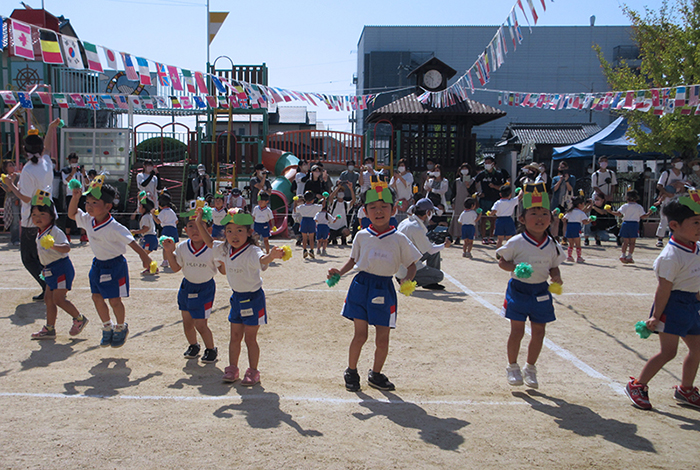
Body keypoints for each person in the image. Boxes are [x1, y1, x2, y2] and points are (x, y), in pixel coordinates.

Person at [328, 184, 420, 392]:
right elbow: (353, 261)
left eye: (384, 206)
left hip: (384, 288)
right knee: (360, 335)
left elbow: (412, 264)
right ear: (365, 210)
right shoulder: (361, 236)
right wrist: (338, 273)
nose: (378, 211)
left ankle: (375, 374)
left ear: (394, 209)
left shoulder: (399, 239)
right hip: (361, 286)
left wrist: (407, 281)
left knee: (382, 338)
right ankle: (351, 371)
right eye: (373, 207)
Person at [625, 197, 700, 410]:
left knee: (697, 348)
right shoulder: (670, 256)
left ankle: (686, 389)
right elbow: (664, 289)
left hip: (691, 304)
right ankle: (638, 385)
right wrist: (656, 316)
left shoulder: (696, 247)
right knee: (669, 352)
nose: (699, 227)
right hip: (672, 306)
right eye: (695, 222)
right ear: (674, 226)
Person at [196, 207, 284, 386]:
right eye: (229, 230)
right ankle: (232, 368)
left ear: (249, 232)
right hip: (236, 298)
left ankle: (253, 371)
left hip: (253, 299)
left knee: (250, 338)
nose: (233, 235)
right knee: (235, 336)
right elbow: (210, 243)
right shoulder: (225, 249)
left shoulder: (252, 250)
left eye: (239, 230)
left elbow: (262, 260)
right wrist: (199, 223)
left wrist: (272, 256)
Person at [68, 176, 153, 348]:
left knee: (114, 300)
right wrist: (75, 197)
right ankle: (107, 327)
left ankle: (121, 327)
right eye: (88, 202)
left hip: (115, 266)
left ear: (108, 206)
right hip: (98, 265)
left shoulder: (115, 227)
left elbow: (132, 242)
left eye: (94, 203)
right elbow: (71, 214)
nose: (89, 206)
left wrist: (145, 257)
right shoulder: (88, 220)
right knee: (96, 297)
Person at [496, 184, 566, 388]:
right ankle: (512, 367)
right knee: (517, 331)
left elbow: (553, 267)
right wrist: (516, 268)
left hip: (541, 291)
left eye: (544, 213)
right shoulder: (516, 242)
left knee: (539, 331)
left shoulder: (553, 244)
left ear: (551, 218)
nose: (540, 218)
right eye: (534, 213)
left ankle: (531, 368)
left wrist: (557, 276)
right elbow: (502, 261)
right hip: (518, 290)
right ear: (522, 219)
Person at [3, 120, 60, 300]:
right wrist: (51, 128)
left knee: (29, 258)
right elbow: (48, 148)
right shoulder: (46, 162)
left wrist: (10, 185)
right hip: (49, 213)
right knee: (44, 254)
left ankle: (47, 285)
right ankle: (52, 284)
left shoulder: (28, 169)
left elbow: (27, 198)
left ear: (25, 150)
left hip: (32, 218)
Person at [162, 207, 222, 364]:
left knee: (200, 323)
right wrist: (169, 251)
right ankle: (193, 346)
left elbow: (222, 270)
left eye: (199, 225)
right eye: (190, 226)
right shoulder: (182, 247)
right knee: (187, 321)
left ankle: (211, 349)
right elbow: (176, 268)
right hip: (187, 286)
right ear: (184, 229)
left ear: (208, 229)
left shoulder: (213, 248)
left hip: (205, 288)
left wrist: (225, 256)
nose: (195, 230)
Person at [29, 190, 88, 340]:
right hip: (49, 269)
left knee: (58, 299)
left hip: (61, 268)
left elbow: (66, 248)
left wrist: (53, 245)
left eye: (42, 215)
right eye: (35, 215)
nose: (38, 218)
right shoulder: (40, 232)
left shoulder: (55, 231)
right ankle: (50, 328)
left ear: (52, 215)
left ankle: (79, 319)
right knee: (48, 299)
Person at [396, 198, 451, 290]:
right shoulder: (417, 228)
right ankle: (407, 280)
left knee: (435, 253)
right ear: (427, 212)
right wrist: (444, 245)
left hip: (400, 263)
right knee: (439, 276)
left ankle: (428, 281)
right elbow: (431, 249)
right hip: (407, 268)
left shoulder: (406, 222)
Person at [607, 190, 652, 264]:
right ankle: (629, 256)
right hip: (634, 224)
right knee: (632, 242)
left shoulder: (625, 206)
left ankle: (623, 255)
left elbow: (618, 214)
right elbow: (643, 216)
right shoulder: (639, 207)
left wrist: (610, 211)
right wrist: (649, 213)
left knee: (625, 242)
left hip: (625, 224)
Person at [475, 156, 509, 244]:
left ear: (493, 164)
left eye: (488, 162)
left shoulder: (499, 174)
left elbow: (503, 187)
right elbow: (473, 184)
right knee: (483, 218)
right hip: (484, 199)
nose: (487, 164)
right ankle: (484, 237)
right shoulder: (482, 174)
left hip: (495, 199)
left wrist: (494, 186)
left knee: (493, 219)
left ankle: (491, 237)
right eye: (485, 163)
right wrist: (477, 193)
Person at [655, 157, 687, 247]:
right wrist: (667, 193)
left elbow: (684, 188)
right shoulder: (667, 173)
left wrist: (680, 189)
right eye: (677, 162)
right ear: (672, 163)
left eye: (681, 161)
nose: (680, 163)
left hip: (677, 198)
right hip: (667, 198)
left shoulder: (683, 175)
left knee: (676, 218)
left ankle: (672, 237)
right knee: (664, 219)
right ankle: (660, 238)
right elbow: (659, 185)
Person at [61, 152, 88, 243]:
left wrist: (84, 174)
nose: (74, 162)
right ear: (69, 161)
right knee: (70, 214)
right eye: (72, 161)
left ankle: (83, 235)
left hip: (82, 194)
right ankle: (67, 235)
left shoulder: (81, 170)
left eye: (76, 161)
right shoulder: (65, 170)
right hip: (70, 195)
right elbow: (65, 182)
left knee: (83, 213)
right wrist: (72, 173)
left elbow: (87, 182)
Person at [550, 161, 575, 244]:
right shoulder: (555, 178)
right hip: (557, 201)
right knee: (556, 220)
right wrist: (560, 180)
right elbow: (554, 189)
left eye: (564, 167)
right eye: (561, 167)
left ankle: (565, 238)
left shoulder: (572, 177)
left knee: (565, 220)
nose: (562, 169)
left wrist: (567, 180)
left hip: (566, 202)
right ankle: (555, 237)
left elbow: (571, 189)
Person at [448, 163, 474, 242]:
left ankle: (468, 236)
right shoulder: (456, 181)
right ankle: (457, 236)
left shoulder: (472, 181)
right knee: (457, 218)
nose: (464, 171)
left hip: (469, 202)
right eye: (463, 169)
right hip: (458, 202)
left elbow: (473, 192)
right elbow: (453, 193)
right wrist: (452, 202)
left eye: (466, 169)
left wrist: (468, 187)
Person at [153, 192, 179, 268]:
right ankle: (174, 260)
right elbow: (176, 221)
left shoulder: (163, 212)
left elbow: (158, 221)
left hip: (166, 229)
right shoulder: (171, 211)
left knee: (165, 246)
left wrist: (153, 215)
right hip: (173, 229)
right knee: (173, 246)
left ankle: (165, 261)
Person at [132, 197, 158, 267]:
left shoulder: (145, 217)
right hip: (150, 238)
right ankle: (150, 268)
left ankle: (152, 267)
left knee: (143, 255)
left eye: (140, 206)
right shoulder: (147, 216)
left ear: (144, 208)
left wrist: (135, 232)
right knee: (143, 255)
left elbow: (145, 229)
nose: (139, 207)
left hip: (149, 238)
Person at [562, 196, 590, 263]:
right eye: (583, 204)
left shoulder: (569, 212)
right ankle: (579, 257)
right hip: (576, 227)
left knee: (571, 243)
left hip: (569, 227)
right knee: (578, 243)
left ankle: (569, 256)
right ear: (579, 205)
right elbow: (585, 222)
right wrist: (590, 220)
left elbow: (563, 219)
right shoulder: (581, 213)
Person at [491, 184, 519, 249]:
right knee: (509, 239)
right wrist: (521, 190)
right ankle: (508, 253)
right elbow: (520, 196)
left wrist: (490, 214)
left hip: (500, 221)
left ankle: (498, 253)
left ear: (500, 194)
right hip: (508, 220)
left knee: (499, 239)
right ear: (510, 194)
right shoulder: (512, 201)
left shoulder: (497, 203)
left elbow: (493, 212)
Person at [297, 191, 323, 259]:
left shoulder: (301, 207)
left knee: (304, 238)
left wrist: (295, 202)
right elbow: (322, 206)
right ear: (313, 199)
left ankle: (304, 250)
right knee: (311, 238)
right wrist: (324, 199)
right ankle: (311, 250)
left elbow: (295, 209)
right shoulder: (315, 206)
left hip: (304, 220)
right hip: (312, 220)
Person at [2, 160, 21, 246]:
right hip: (13, 200)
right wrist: (12, 181)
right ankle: (15, 239)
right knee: (15, 221)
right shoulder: (5, 178)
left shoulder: (19, 175)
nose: (12, 167)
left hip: (22, 199)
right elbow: (8, 190)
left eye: (12, 165)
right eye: (10, 165)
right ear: (6, 168)